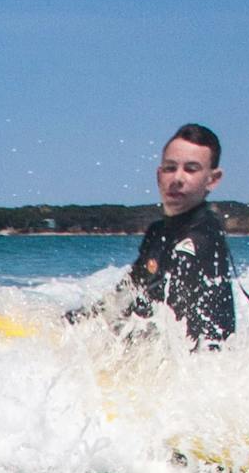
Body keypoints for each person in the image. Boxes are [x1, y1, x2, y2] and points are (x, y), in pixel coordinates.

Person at [73, 124, 235, 347]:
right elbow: (125, 295)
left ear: (213, 179)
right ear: (159, 175)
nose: (177, 178)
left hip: (199, 368)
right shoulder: (158, 232)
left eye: (191, 169)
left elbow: (184, 329)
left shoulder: (204, 237)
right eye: (170, 168)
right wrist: (72, 323)